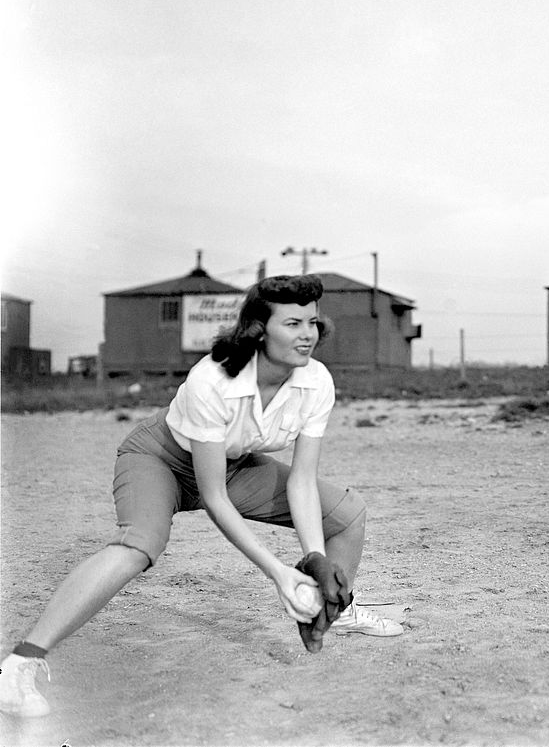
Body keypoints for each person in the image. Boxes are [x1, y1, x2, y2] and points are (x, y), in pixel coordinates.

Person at [0, 274, 402, 718]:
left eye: (311, 322)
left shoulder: (317, 381)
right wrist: (278, 573)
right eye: (291, 323)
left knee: (346, 514)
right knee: (140, 545)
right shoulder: (212, 379)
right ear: (259, 328)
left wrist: (314, 561)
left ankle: (335, 609)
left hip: (234, 465)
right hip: (162, 459)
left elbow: (302, 481)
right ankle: (21, 663)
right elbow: (213, 497)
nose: (307, 334)